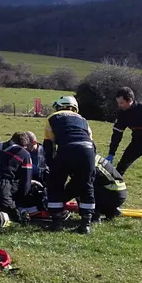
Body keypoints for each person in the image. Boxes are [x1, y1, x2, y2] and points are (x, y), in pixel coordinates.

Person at [43, 96, 96, 234]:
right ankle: (86, 223)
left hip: (67, 148)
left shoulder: (53, 117)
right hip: (87, 150)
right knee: (86, 185)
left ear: (59, 106)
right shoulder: (83, 120)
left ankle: (56, 222)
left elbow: (49, 144)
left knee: (56, 184)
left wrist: (51, 164)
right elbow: (91, 141)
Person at [65, 154, 126, 223]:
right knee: (82, 185)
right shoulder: (88, 155)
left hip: (112, 194)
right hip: (116, 192)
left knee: (82, 188)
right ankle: (110, 211)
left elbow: (74, 186)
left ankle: (94, 216)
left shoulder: (83, 163)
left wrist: (58, 201)